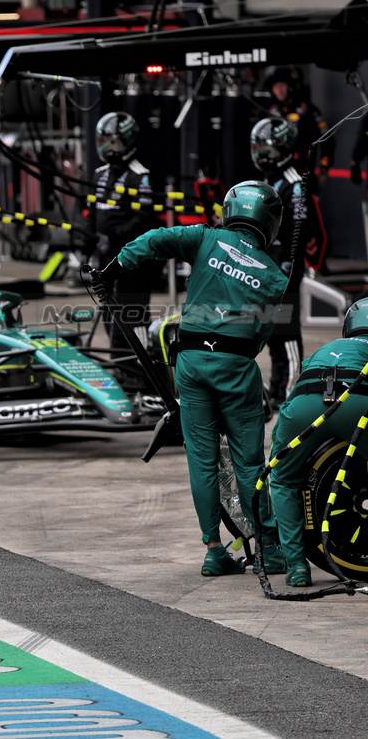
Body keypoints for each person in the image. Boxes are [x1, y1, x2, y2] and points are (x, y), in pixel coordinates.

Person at [93, 180, 289, 577]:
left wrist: (110, 271)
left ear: (229, 210)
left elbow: (151, 240)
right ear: (270, 223)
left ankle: (213, 550)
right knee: (248, 463)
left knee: (201, 460)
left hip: (191, 361)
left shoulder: (204, 238)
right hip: (236, 367)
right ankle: (269, 548)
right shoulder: (275, 277)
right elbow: (260, 337)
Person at [263, 300, 368, 588]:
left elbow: (294, 391)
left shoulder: (330, 347)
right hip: (355, 403)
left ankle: (296, 566)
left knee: (283, 480)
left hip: (304, 406)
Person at [250, 117, 327, 409]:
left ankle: (293, 388)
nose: (259, 154)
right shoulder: (269, 181)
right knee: (270, 329)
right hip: (266, 268)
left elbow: (300, 228)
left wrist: (286, 267)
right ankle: (279, 384)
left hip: (285, 269)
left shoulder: (295, 184)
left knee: (287, 329)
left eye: (264, 148)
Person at [80, 111, 162, 349]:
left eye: (113, 141)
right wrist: (86, 248)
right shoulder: (98, 175)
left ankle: (141, 367)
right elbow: (90, 214)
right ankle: (121, 364)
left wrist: (114, 238)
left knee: (133, 314)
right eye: (103, 141)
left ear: (127, 141)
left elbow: (144, 219)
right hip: (104, 257)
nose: (107, 147)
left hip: (133, 260)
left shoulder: (141, 176)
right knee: (107, 312)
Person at [263, 65, 332, 179]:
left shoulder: (307, 110)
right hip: (276, 176)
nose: (279, 90)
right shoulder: (271, 112)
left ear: (290, 86)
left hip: (303, 176)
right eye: (275, 86)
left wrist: (324, 170)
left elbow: (327, 140)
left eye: (282, 85)